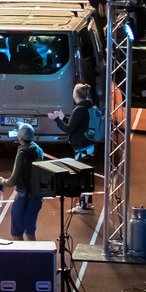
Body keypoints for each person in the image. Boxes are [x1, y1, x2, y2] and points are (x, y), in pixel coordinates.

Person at [51, 83, 100, 213]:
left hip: (82, 148)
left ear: (75, 95)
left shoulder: (79, 110)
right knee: (87, 175)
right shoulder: (89, 107)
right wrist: (63, 118)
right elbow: (77, 125)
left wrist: (57, 120)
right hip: (89, 146)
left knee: (81, 176)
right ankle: (88, 202)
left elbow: (69, 129)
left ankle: (82, 206)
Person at [0, 122, 44, 241]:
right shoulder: (39, 150)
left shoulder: (22, 154)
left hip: (24, 198)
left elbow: (14, 179)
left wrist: (3, 182)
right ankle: (33, 252)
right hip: (36, 197)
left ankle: (22, 252)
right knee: (30, 231)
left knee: (16, 233)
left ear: (20, 136)